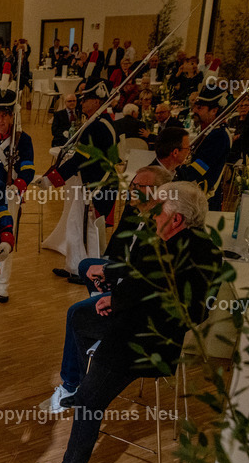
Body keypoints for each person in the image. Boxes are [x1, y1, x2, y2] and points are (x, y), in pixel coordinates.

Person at [33, 181, 223, 463]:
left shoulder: (170, 248)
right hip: (156, 331)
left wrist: (117, 301)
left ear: (176, 219)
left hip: (144, 343)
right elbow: (151, 282)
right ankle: (81, 379)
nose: (153, 213)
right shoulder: (201, 246)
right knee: (81, 316)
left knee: (90, 401)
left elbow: (156, 289)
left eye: (160, 208)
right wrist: (116, 293)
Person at [39, 164, 174, 414]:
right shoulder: (141, 212)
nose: (131, 190)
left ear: (158, 193)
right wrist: (108, 273)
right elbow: (125, 252)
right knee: (87, 265)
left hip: (138, 305)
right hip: (127, 276)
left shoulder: (162, 228)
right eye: (132, 185)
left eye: (138, 187)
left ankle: (71, 384)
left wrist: (115, 285)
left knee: (76, 313)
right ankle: (100, 302)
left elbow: (144, 278)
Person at [43, 79, 120, 277]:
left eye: (86, 99)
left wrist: (50, 181)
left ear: (96, 102)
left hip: (95, 186)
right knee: (76, 227)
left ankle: (90, 272)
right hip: (92, 183)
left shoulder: (97, 126)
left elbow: (78, 160)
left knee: (89, 231)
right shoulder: (101, 122)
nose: (82, 102)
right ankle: (76, 268)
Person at [0, 68, 33, 305]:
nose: (0, 120)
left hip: (9, 195)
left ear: (12, 116)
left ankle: (3, 285)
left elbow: (29, 168)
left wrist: (19, 185)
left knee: (5, 239)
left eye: (4, 115)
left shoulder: (23, 140)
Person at [176, 83, 232, 208]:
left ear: (214, 110)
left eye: (200, 108)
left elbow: (199, 168)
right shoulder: (210, 131)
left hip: (204, 199)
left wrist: (175, 174)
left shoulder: (219, 136)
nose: (194, 110)